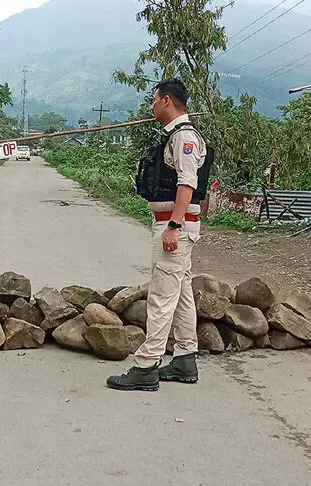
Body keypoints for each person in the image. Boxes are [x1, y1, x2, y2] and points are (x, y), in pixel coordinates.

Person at [107, 78, 211, 391]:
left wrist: (174, 226)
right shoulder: (176, 136)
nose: (152, 107)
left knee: (161, 296)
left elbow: (187, 183)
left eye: (154, 100)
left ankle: (146, 365)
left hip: (174, 225)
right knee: (181, 294)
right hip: (173, 223)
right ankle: (185, 357)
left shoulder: (184, 137)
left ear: (166, 100)